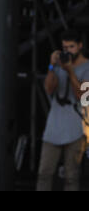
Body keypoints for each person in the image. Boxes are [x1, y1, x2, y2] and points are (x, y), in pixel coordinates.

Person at [36, 29, 89, 191]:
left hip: (76, 126)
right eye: (64, 48)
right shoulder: (59, 64)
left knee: (71, 176)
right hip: (54, 126)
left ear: (80, 46)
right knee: (44, 173)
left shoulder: (87, 67)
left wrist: (70, 71)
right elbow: (49, 89)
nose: (68, 52)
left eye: (71, 47)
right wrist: (52, 66)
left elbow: (82, 95)